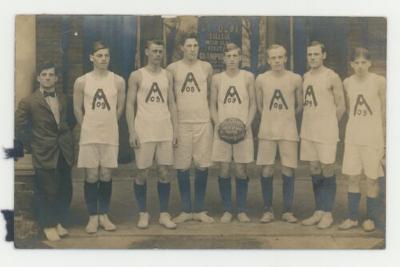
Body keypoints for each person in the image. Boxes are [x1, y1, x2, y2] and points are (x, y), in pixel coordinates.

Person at [15, 62, 74, 241]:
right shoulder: (29, 102)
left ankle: (59, 222)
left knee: (65, 188)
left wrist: (66, 140)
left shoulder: (64, 99)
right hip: (43, 151)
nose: (47, 78)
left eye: (51, 75)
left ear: (56, 78)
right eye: (44, 75)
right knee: (47, 189)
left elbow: (70, 122)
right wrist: (32, 145)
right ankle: (48, 225)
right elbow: (19, 127)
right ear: (39, 78)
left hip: (63, 150)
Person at [73, 40, 126, 234]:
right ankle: (92, 217)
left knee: (105, 175)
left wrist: (111, 123)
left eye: (106, 55)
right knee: (92, 175)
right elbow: (77, 108)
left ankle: (104, 215)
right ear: (91, 58)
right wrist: (86, 126)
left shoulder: (118, 80)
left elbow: (120, 107)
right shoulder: (82, 81)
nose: (103, 59)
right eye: (99, 55)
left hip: (109, 133)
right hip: (90, 134)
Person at [126, 40, 178, 229]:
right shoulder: (137, 75)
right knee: (142, 172)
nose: (157, 54)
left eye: (160, 51)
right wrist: (132, 131)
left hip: (164, 129)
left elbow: (172, 103)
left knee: (164, 172)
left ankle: (164, 214)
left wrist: (175, 130)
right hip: (144, 129)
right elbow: (129, 104)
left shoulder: (168, 75)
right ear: (147, 52)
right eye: (154, 51)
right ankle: (143, 213)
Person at [167, 33, 214, 223]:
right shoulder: (172, 69)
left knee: (202, 165)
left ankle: (200, 209)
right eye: (189, 46)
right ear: (182, 48)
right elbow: (170, 99)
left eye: (195, 45)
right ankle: (186, 209)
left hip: (203, 122)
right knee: (182, 166)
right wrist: (174, 127)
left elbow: (210, 94)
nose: (192, 49)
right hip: (182, 123)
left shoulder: (206, 67)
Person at [338, 47, 385, 232]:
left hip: (373, 138)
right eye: (356, 63)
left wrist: (385, 138)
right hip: (353, 137)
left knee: (372, 179)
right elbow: (350, 109)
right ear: (351, 64)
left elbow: (384, 111)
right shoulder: (347, 82)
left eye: (363, 62)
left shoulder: (379, 81)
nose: (359, 66)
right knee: (353, 177)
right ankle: (352, 218)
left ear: (370, 63)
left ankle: (371, 219)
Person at [300, 41, 345, 229]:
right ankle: (318, 210)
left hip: (326, 131)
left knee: (327, 169)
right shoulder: (306, 76)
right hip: (308, 130)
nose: (312, 58)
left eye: (316, 54)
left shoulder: (331, 76)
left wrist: (329, 124)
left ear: (323, 55)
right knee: (314, 169)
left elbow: (341, 106)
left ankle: (328, 213)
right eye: (310, 54)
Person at [255, 44, 303, 223]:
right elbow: (260, 107)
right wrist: (271, 117)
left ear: (285, 58)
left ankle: (287, 210)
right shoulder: (261, 79)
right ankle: (267, 209)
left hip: (288, 130)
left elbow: (299, 106)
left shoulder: (295, 78)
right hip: (267, 130)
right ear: (268, 60)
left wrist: (286, 118)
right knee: (267, 169)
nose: (276, 61)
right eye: (273, 58)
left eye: (280, 57)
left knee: (288, 169)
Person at [210, 43, 256, 223]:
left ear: (240, 58)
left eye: (235, 56)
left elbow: (253, 104)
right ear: (223, 59)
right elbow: (212, 104)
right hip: (222, 129)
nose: (231, 60)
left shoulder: (248, 77)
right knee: (224, 168)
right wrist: (218, 124)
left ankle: (242, 210)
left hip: (242, 129)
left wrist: (246, 125)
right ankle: (227, 209)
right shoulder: (217, 79)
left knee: (241, 168)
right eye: (228, 56)